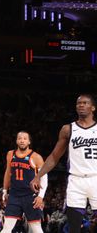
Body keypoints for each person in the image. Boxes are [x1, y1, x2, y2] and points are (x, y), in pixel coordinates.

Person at [31, 95, 97, 233]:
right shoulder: (68, 129)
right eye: (78, 103)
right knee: (73, 227)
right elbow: (55, 156)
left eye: (85, 103)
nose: (81, 105)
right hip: (76, 180)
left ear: (93, 107)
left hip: (96, 177)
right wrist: (39, 175)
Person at [0, 131, 46, 233]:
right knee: (6, 227)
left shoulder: (36, 157)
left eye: (25, 139)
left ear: (29, 142)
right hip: (14, 195)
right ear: (16, 141)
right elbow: (8, 173)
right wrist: (4, 191)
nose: (22, 140)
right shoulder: (10, 154)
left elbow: (44, 177)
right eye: (20, 138)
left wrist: (41, 196)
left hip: (30, 196)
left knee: (36, 228)